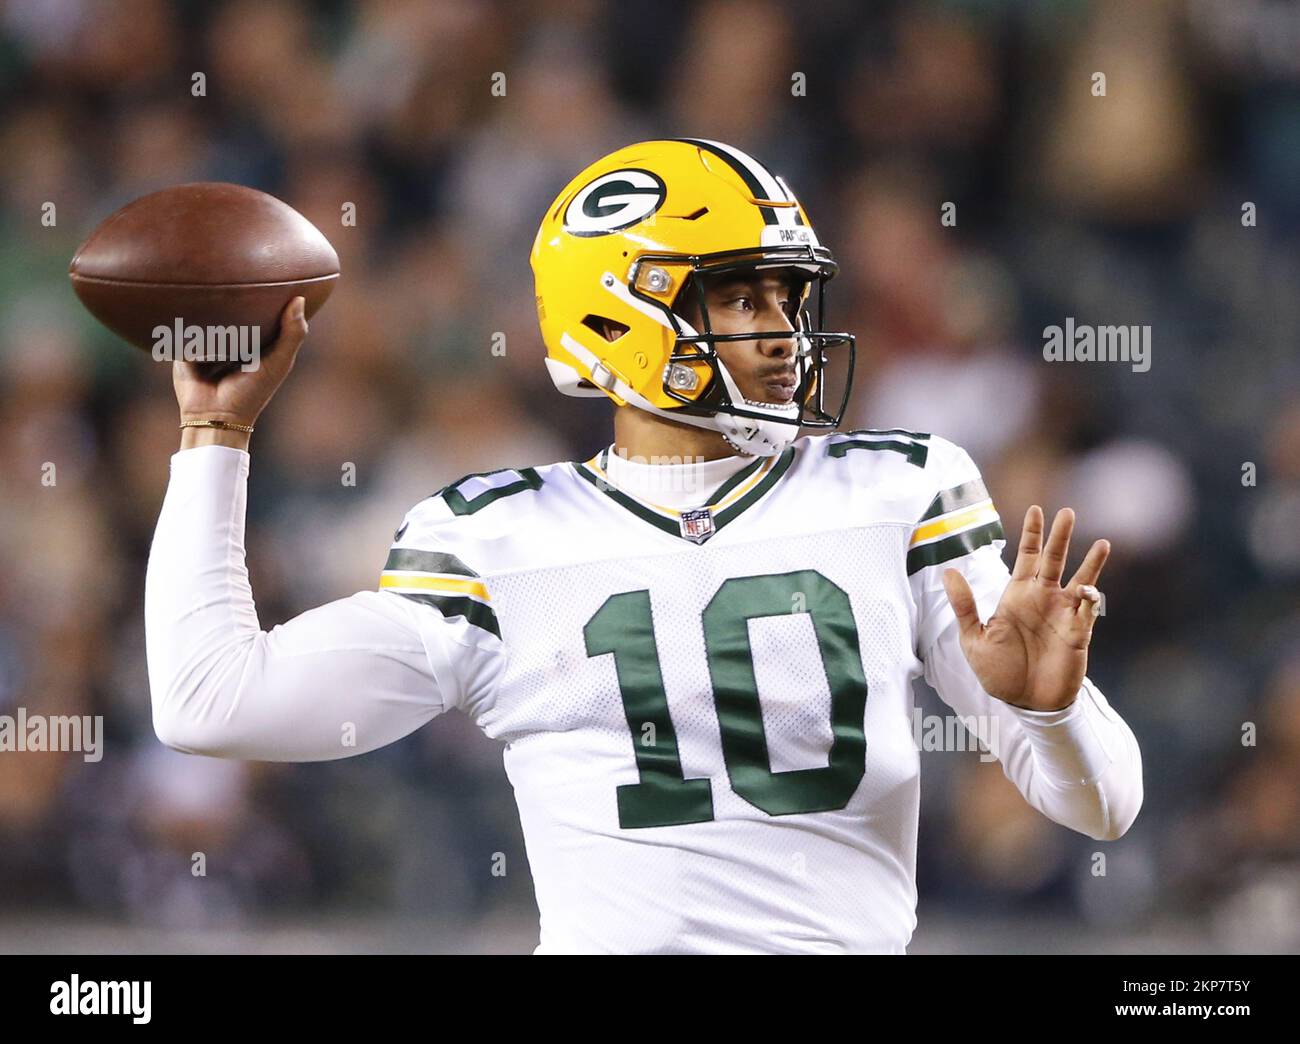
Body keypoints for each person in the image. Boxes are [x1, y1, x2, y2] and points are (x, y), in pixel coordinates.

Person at [146, 138, 1142, 954]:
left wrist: (1044, 713)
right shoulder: (494, 537)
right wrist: (213, 437)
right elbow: (209, 700)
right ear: (619, 311)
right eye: (742, 297)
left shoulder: (898, 488)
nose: (786, 332)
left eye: (789, 296)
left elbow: (1104, 809)